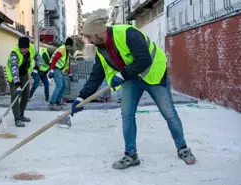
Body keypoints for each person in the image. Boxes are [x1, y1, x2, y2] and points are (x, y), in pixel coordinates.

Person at [70, 14, 196, 169]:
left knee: (169, 112)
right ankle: (131, 155)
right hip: (130, 79)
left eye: (89, 37)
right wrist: (81, 97)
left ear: (98, 32)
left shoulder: (127, 33)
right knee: (127, 115)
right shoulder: (101, 49)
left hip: (153, 75)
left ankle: (182, 148)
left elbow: (144, 59)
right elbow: (96, 75)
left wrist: (122, 74)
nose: (89, 41)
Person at [5, 37, 41, 127]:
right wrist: (17, 84)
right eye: (21, 48)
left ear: (28, 47)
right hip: (14, 76)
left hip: (24, 74)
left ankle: (21, 115)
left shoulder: (32, 50)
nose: (23, 50)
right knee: (15, 95)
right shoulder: (14, 53)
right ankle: (17, 119)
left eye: (25, 48)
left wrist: (36, 68)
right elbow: (14, 70)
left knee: (25, 95)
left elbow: (39, 59)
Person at [48, 37, 74, 111]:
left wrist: (70, 74)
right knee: (59, 86)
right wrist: (52, 70)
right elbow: (54, 60)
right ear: (66, 45)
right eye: (68, 46)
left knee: (65, 85)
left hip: (60, 70)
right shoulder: (62, 49)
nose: (69, 48)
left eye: (70, 47)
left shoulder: (67, 51)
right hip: (56, 69)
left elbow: (67, 64)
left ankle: (58, 101)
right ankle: (52, 103)